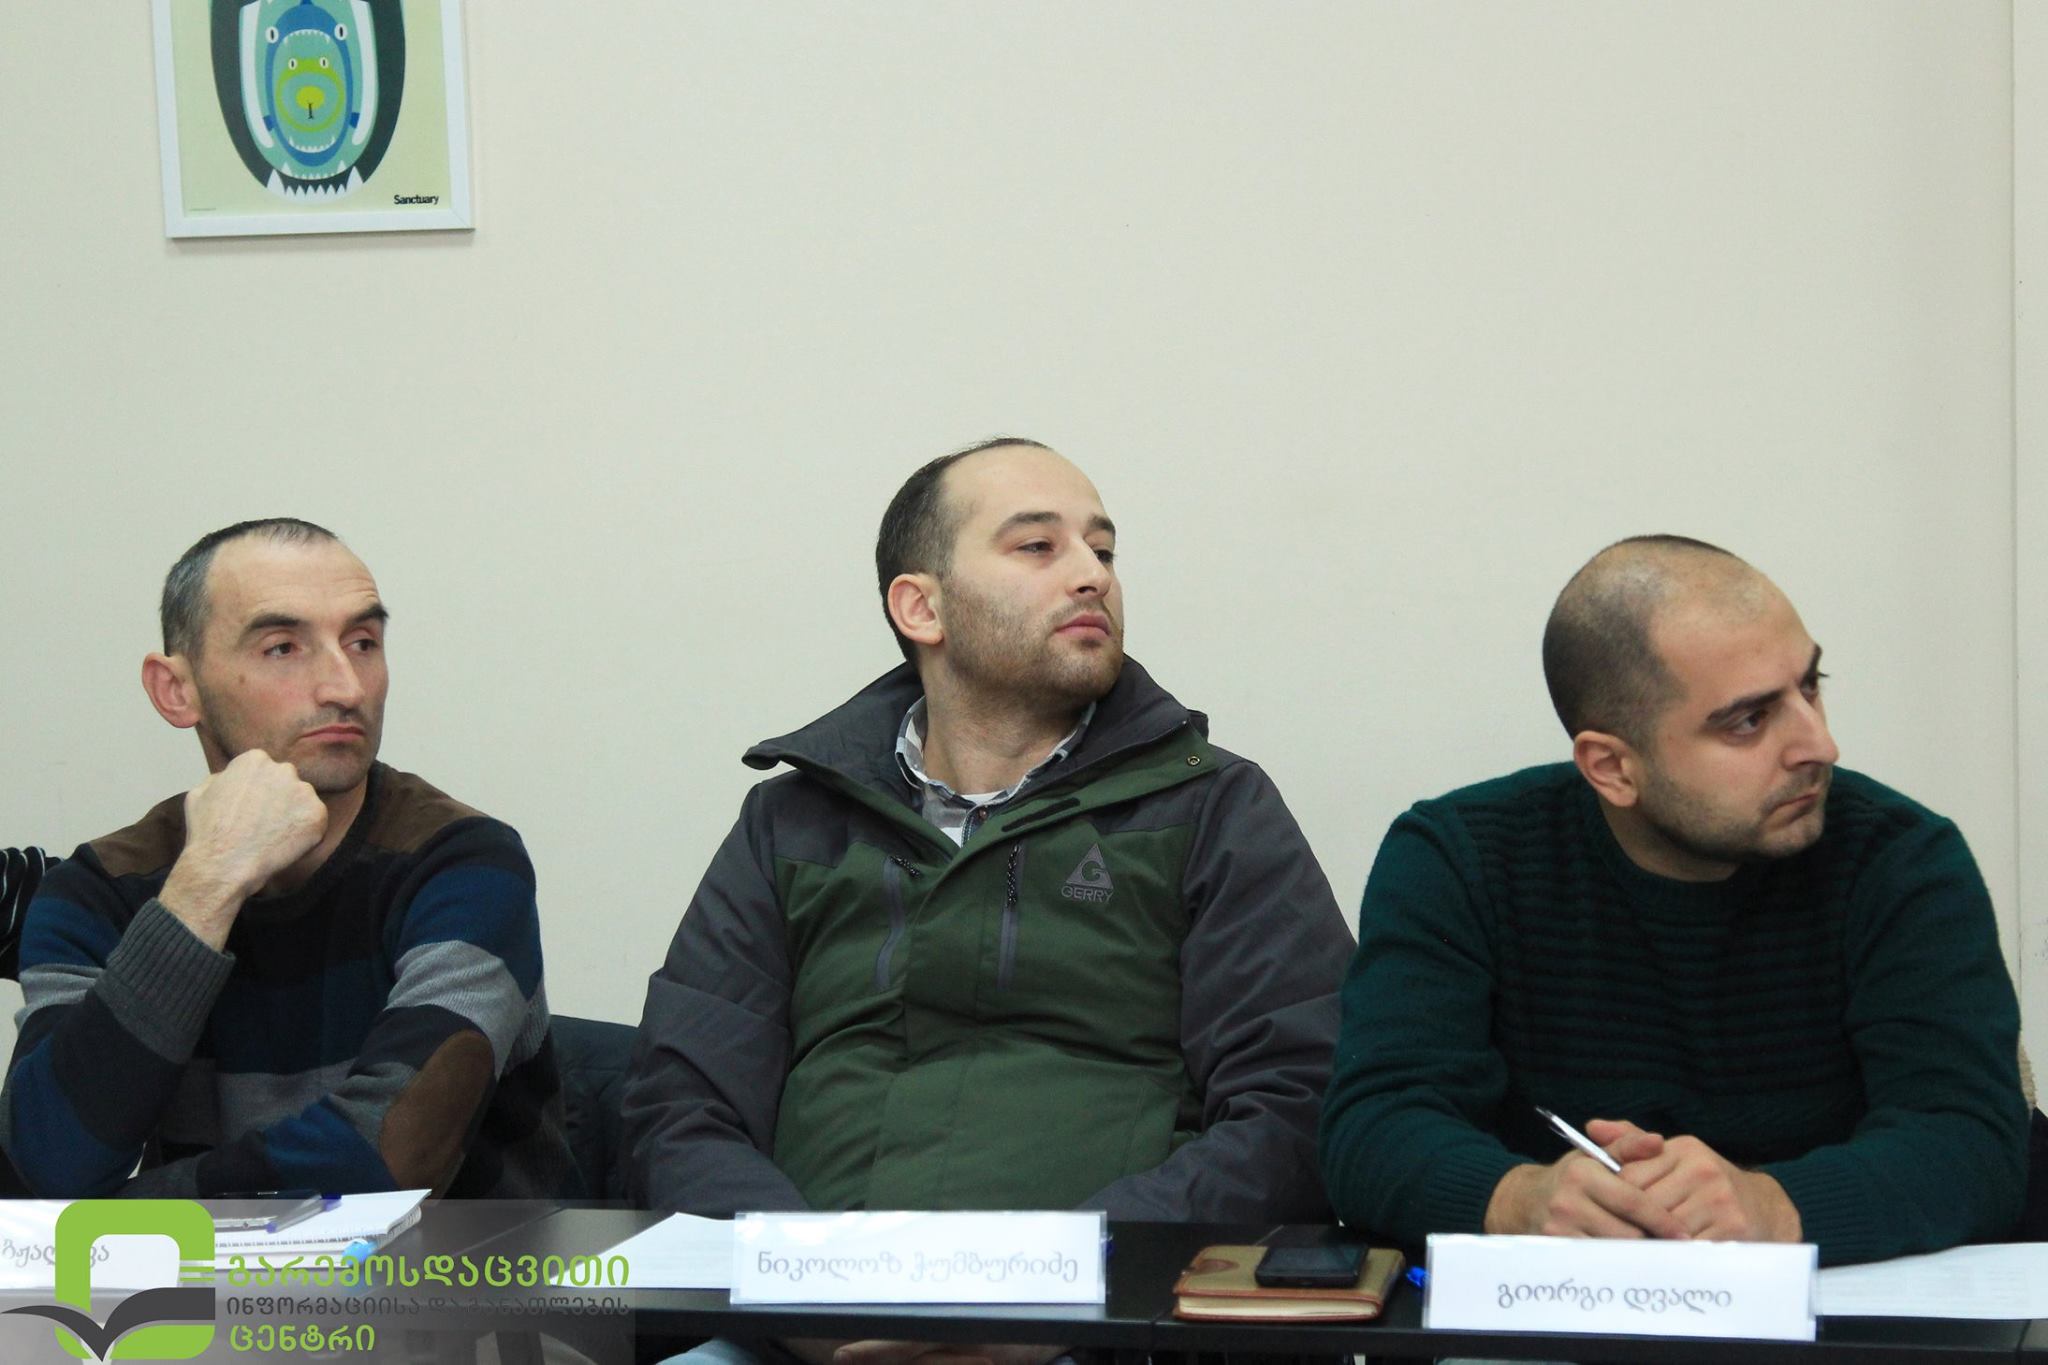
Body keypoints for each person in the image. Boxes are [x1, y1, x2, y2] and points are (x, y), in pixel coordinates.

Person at [626, 438, 1352, 1364]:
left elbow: (1296, 1105)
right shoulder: (793, 823)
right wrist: (809, 1303)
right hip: (803, 1331)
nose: (1092, 574)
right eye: (1038, 546)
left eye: (1102, 549)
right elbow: (682, 1105)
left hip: (1113, 1327)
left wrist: (1047, 1300)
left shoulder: (1213, 807)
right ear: (920, 606)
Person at [1319, 534, 2028, 1266]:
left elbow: (1973, 1140)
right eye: (1749, 720)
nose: (1818, 744)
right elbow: (1372, 1129)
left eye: (1810, 685)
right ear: (1613, 768)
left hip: (1848, 1309)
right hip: (1559, 1307)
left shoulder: (1900, 858)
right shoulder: (1458, 857)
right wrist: (1518, 1198)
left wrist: (1775, 1205)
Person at [0, 518, 572, 1198]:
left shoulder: (462, 862)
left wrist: (115, 1214)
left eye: (363, 642)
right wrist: (206, 886)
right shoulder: (98, 890)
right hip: (196, 1271)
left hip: (459, 1265)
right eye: (283, 648)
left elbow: (391, 1150)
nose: (345, 687)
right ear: (176, 690)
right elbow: (46, 1166)